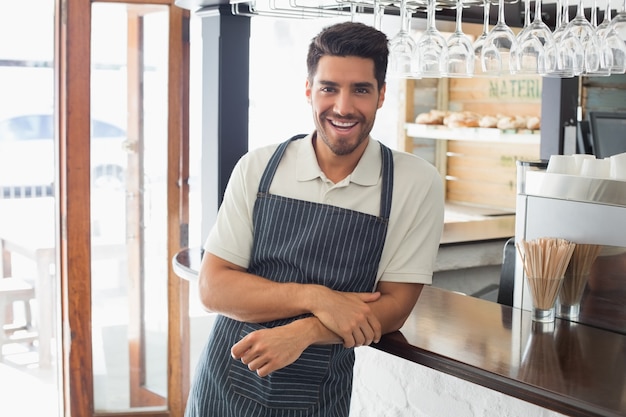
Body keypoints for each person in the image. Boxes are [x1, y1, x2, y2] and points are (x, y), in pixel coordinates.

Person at [185, 21, 444, 417]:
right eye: (329, 88)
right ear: (308, 90)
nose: (343, 107)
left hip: (318, 395)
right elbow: (213, 288)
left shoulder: (414, 183)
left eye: (360, 89)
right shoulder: (259, 168)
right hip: (226, 384)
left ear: (381, 96)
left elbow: (395, 307)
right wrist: (316, 298)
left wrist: (305, 332)